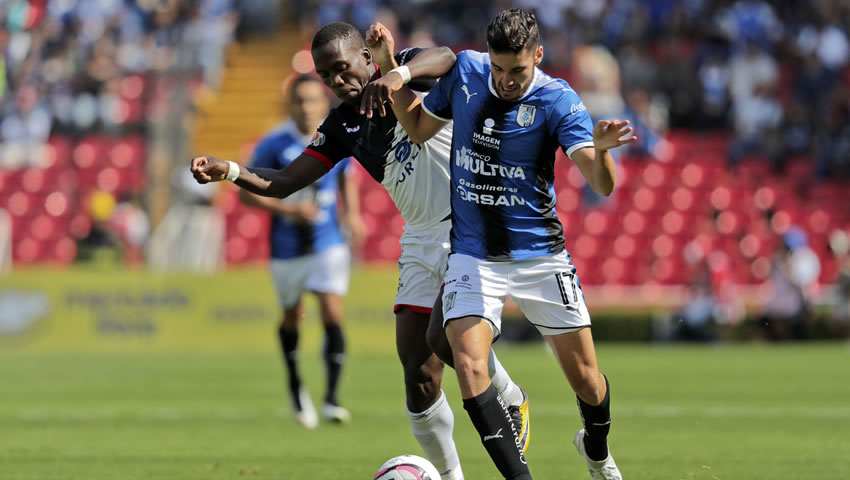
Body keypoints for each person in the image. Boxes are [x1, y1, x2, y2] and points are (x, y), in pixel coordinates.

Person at [190, 22, 529, 480]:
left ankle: (509, 395)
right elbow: (286, 181)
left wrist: (396, 77)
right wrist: (229, 169)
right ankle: (451, 476)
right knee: (418, 374)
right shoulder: (341, 125)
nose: (336, 81)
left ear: (367, 58)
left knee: (441, 337)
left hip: (468, 226)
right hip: (421, 237)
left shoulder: (406, 67)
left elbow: (450, 56)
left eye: (342, 68)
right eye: (326, 75)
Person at [360, 9, 635, 479]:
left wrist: (604, 152)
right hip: (473, 255)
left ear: (539, 56)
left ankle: (596, 448)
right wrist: (390, 65)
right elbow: (420, 128)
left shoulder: (557, 99)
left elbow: (599, 181)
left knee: (589, 383)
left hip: (540, 255)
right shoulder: (467, 72)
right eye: (499, 68)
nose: (506, 80)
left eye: (518, 71)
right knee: (467, 364)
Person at [240, 73, 364, 428]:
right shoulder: (273, 144)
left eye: (313, 100)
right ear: (290, 105)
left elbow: (346, 176)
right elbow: (245, 191)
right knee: (292, 318)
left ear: (324, 104)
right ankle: (296, 384)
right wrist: (289, 210)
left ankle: (332, 399)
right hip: (286, 248)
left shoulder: (334, 134)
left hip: (328, 241)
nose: (307, 107)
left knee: (331, 309)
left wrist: (352, 215)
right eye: (300, 100)